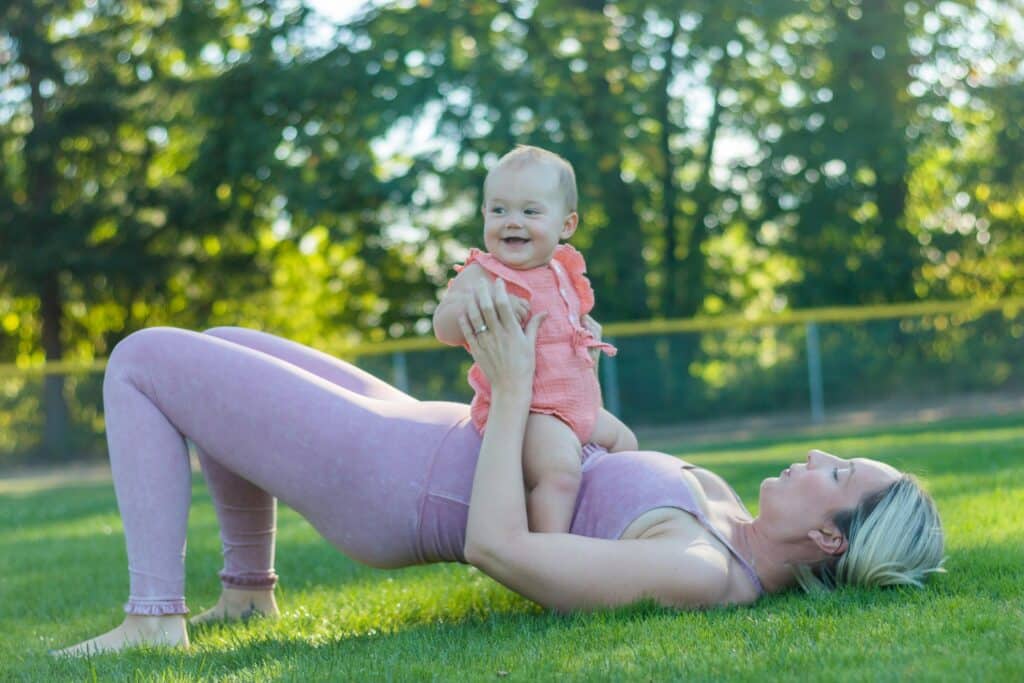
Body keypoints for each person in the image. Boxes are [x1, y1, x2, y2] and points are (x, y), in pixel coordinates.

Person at [54, 280, 945, 656]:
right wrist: (564, 364)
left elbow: (498, 546)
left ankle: (153, 616)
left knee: (142, 358)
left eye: (840, 472)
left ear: (830, 535)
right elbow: (606, 460)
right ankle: (247, 592)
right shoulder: (717, 515)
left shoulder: (699, 568)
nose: (820, 455)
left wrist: (516, 388)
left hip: (391, 481)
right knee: (219, 346)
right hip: (427, 429)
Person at [434, 145, 637, 533]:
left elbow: (565, 323)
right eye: (499, 210)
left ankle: (606, 530)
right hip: (530, 412)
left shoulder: (563, 270)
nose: (512, 222)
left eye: (530, 211)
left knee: (626, 444)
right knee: (559, 472)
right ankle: (546, 554)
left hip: (578, 406)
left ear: (566, 225)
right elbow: (442, 326)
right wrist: (488, 308)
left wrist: (586, 329)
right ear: (484, 215)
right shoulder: (485, 274)